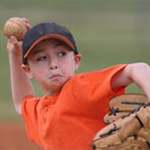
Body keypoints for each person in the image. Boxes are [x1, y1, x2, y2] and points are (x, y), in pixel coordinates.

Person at [6, 22, 150, 149]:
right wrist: (14, 55)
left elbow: (138, 69)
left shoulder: (78, 89)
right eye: (42, 58)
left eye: (61, 54)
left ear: (76, 60)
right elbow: (21, 103)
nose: (53, 64)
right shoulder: (40, 111)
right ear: (28, 70)